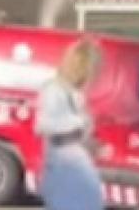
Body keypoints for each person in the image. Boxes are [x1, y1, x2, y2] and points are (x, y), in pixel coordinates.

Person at [34, 38, 104, 210]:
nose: (97, 74)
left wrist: (92, 145)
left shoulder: (75, 93)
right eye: (94, 68)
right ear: (82, 67)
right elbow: (44, 125)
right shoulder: (55, 90)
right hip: (65, 170)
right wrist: (78, 123)